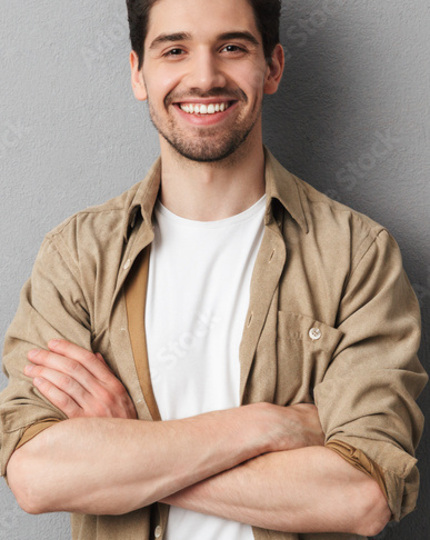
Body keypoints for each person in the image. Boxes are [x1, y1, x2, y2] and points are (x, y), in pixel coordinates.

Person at [0, 0, 427, 539]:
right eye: (174, 50)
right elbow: (37, 475)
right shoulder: (77, 256)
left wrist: (128, 449)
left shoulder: (357, 256)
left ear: (272, 67)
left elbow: (360, 496)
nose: (204, 77)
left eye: (231, 47)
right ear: (138, 73)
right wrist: (266, 426)